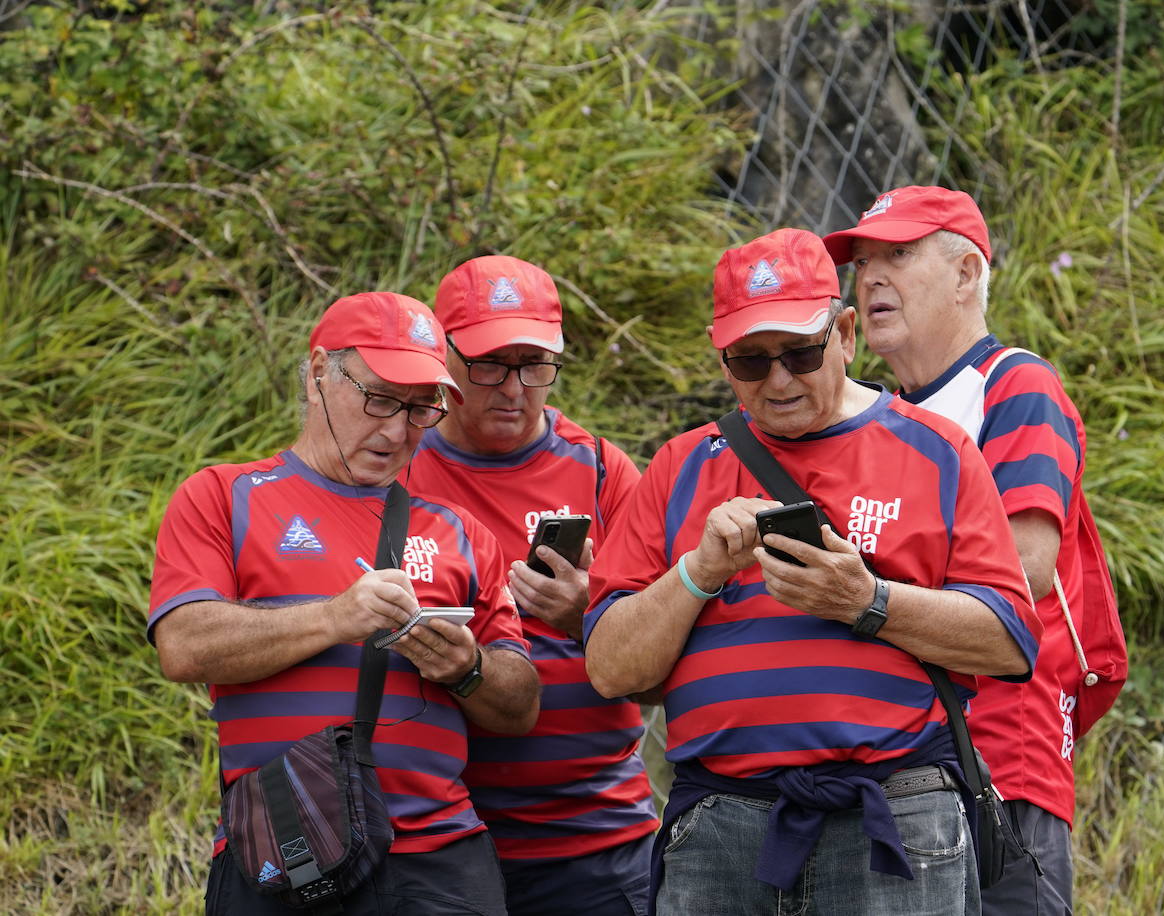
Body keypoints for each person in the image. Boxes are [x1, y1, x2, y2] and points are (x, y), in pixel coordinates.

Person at [582, 228, 1042, 916]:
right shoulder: (681, 467)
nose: (778, 379)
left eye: (800, 352)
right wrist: (698, 573)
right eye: (749, 360)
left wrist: (870, 601)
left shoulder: (937, 451)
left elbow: (1008, 641)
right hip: (722, 822)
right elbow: (611, 669)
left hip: (895, 810)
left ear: (846, 334)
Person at [148, 290, 542, 915]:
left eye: (419, 409)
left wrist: (466, 669)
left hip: (439, 858)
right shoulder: (223, 496)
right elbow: (184, 643)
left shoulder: (460, 532)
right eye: (380, 399)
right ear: (318, 374)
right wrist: (334, 617)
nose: (395, 429)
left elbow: (520, 705)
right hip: (285, 846)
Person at [823, 185, 1128, 914]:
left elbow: (1025, 567)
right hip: (893, 759)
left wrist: (854, 585)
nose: (870, 280)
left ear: (966, 274)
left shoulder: (1013, 384)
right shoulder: (878, 413)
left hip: (998, 757)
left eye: (898, 255)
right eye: (862, 262)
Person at [405, 255, 659, 916]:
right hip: (439, 839)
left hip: (598, 835)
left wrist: (587, 616)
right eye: (489, 363)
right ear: (443, 355)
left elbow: (666, 659)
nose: (513, 388)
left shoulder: (601, 468)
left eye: (535, 364)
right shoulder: (397, 468)